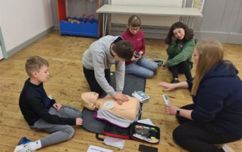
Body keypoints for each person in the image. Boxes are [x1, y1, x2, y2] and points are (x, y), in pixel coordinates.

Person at [164, 39, 242, 152]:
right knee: (182, 116)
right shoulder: (219, 68)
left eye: (195, 55)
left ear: (204, 58)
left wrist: (175, 110)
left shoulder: (214, 85)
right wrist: (175, 86)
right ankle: (209, 137)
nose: (193, 57)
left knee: (180, 134)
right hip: (223, 114)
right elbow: (195, 82)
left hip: (229, 127)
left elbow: (202, 116)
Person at [15, 56, 83, 152]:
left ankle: (69, 116)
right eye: (45, 71)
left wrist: (52, 102)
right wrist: (72, 121)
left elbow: (43, 96)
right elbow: (48, 118)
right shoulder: (31, 96)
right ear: (35, 74)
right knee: (69, 130)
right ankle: (31, 146)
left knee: (79, 115)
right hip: (38, 120)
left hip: (45, 109)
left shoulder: (37, 81)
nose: (48, 74)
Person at [82, 35, 133, 104]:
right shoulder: (98, 51)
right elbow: (99, 76)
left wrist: (119, 92)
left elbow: (120, 71)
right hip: (90, 66)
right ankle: (89, 77)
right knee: (98, 93)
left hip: (105, 65)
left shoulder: (120, 46)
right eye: (122, 60)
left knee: (107, 86)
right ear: (115, 54)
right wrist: (114, 95)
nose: (123, 61)